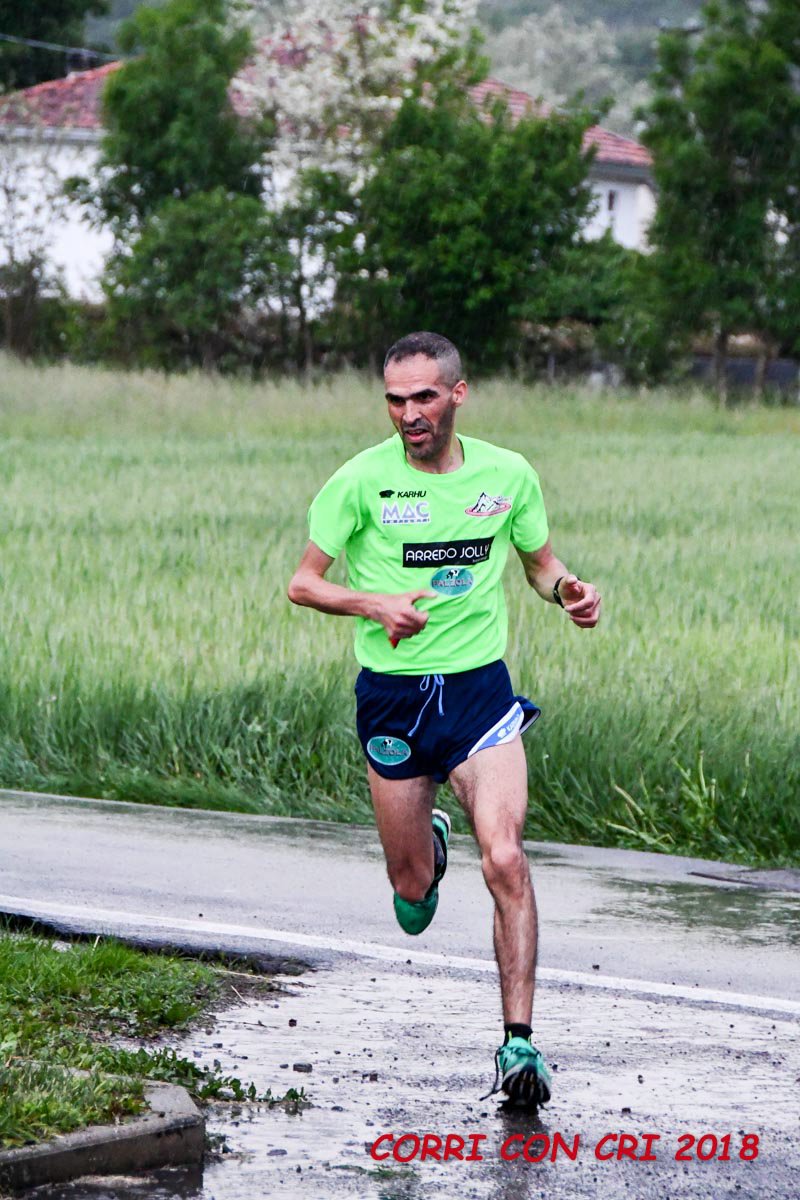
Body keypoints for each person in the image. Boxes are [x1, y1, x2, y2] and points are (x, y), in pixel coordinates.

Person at [288, 331, 601, 1106]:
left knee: (506, 858)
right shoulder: (360, 481)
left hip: (478, 694)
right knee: (410, 896)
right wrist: (373, 601)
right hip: (392, 695)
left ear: (457, 394)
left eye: (423, 397)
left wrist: (569, 592)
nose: (408, 414)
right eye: (395, 400)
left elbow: (539, 565)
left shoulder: (507, 475)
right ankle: (425, 849)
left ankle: (519, 1046)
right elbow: (302, 584)